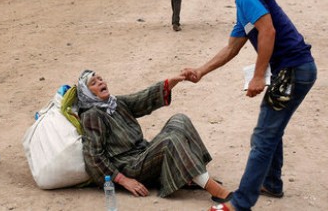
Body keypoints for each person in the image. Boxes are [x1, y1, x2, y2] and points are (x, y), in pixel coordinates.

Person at [181, 0, 316, 211]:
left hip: (293, 69)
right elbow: (231, 48)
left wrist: (257, 75)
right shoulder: (244, 3)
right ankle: (272, 183)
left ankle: (239, 204)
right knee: (271, 129)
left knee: (263, 136)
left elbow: (268, 30)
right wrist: (200, 71)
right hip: (294, 69)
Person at [77, 70, 231, 202]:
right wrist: (124, 180)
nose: (99, 82)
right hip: (130, 167)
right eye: (93, 83)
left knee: (180, 120)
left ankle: (192, 176)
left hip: (142, 154)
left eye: (100, 78)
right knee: (169, 141)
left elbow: (142, 99)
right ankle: (215, 191)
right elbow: (93, 156)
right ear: (87, 93)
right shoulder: (92, 115)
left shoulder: (114, 102)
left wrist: (170, 83)